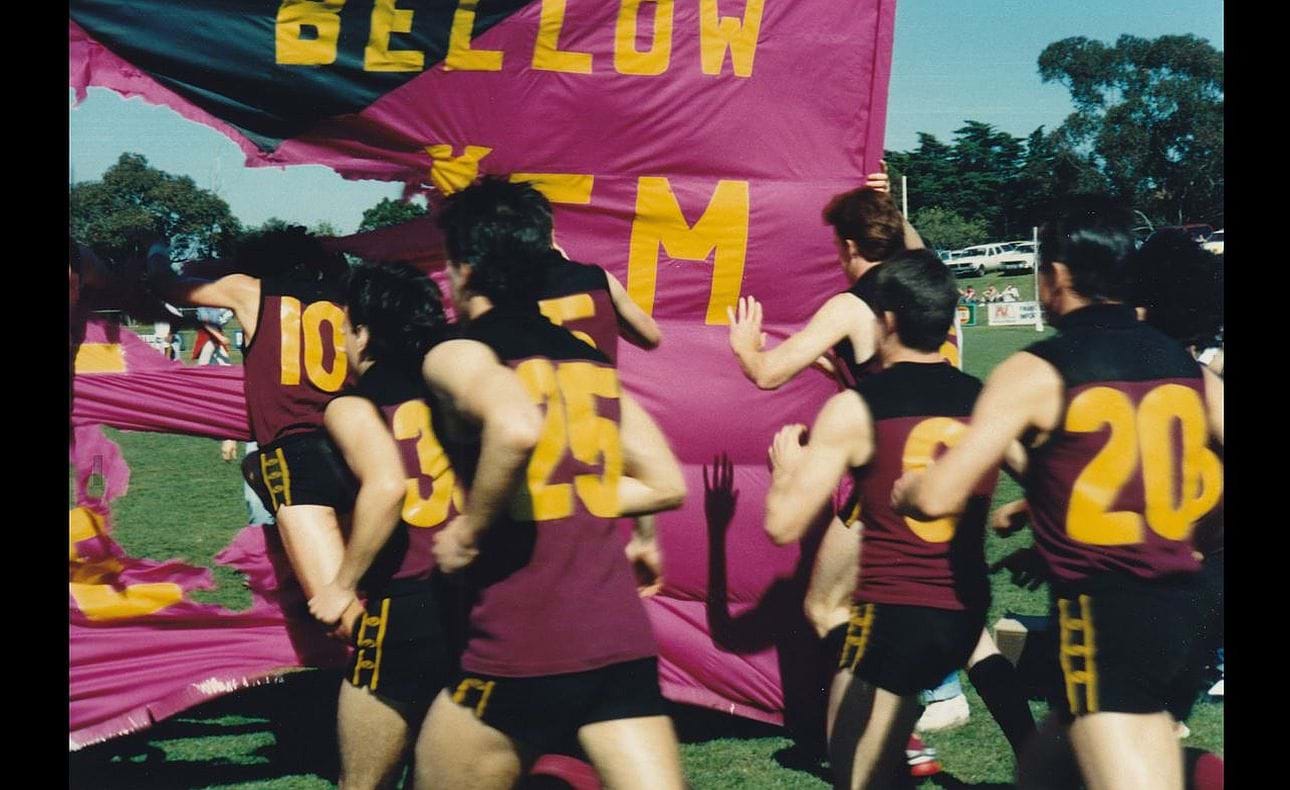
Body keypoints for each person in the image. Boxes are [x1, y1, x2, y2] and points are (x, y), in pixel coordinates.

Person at [893, 197, 1223, 790]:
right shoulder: (1181, 362)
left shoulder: (1038, 368)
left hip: (1104, 614)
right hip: (1186, 605)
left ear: (1058, 275)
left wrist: (908, 487)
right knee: (1044, 770)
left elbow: (939, 496)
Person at [413, 177, 689, 790]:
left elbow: (515, 425)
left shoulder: (456, 354)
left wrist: (470, 529)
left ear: (464, 269)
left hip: (520, 636)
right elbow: (666, 483)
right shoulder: (589, 359)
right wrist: (578, 496)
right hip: (617, 637)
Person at [764, 251, 1016, 789]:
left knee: (857, 774)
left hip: (892, 616)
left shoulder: (858, 406)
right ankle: (1020, 743)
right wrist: (1018, 513)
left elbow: (783, 526)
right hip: (964, 609)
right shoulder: (986, 399)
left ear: (888, 321)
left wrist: (786, 474)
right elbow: (1049, 479)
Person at [150, 226, 364, 634]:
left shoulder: (250, 291)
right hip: (359, 450)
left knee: (341, 614)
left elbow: (167, 287)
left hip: (297, 457)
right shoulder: (347, 297)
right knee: (368, 592)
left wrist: (156, 249)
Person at [306, 261, 462, 789]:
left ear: (365, 332)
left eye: (346, 327)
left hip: (409, 605)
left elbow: (388, 485)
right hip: (485, 600)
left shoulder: (354, 404)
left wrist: (341, 585)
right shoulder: (462, 389)